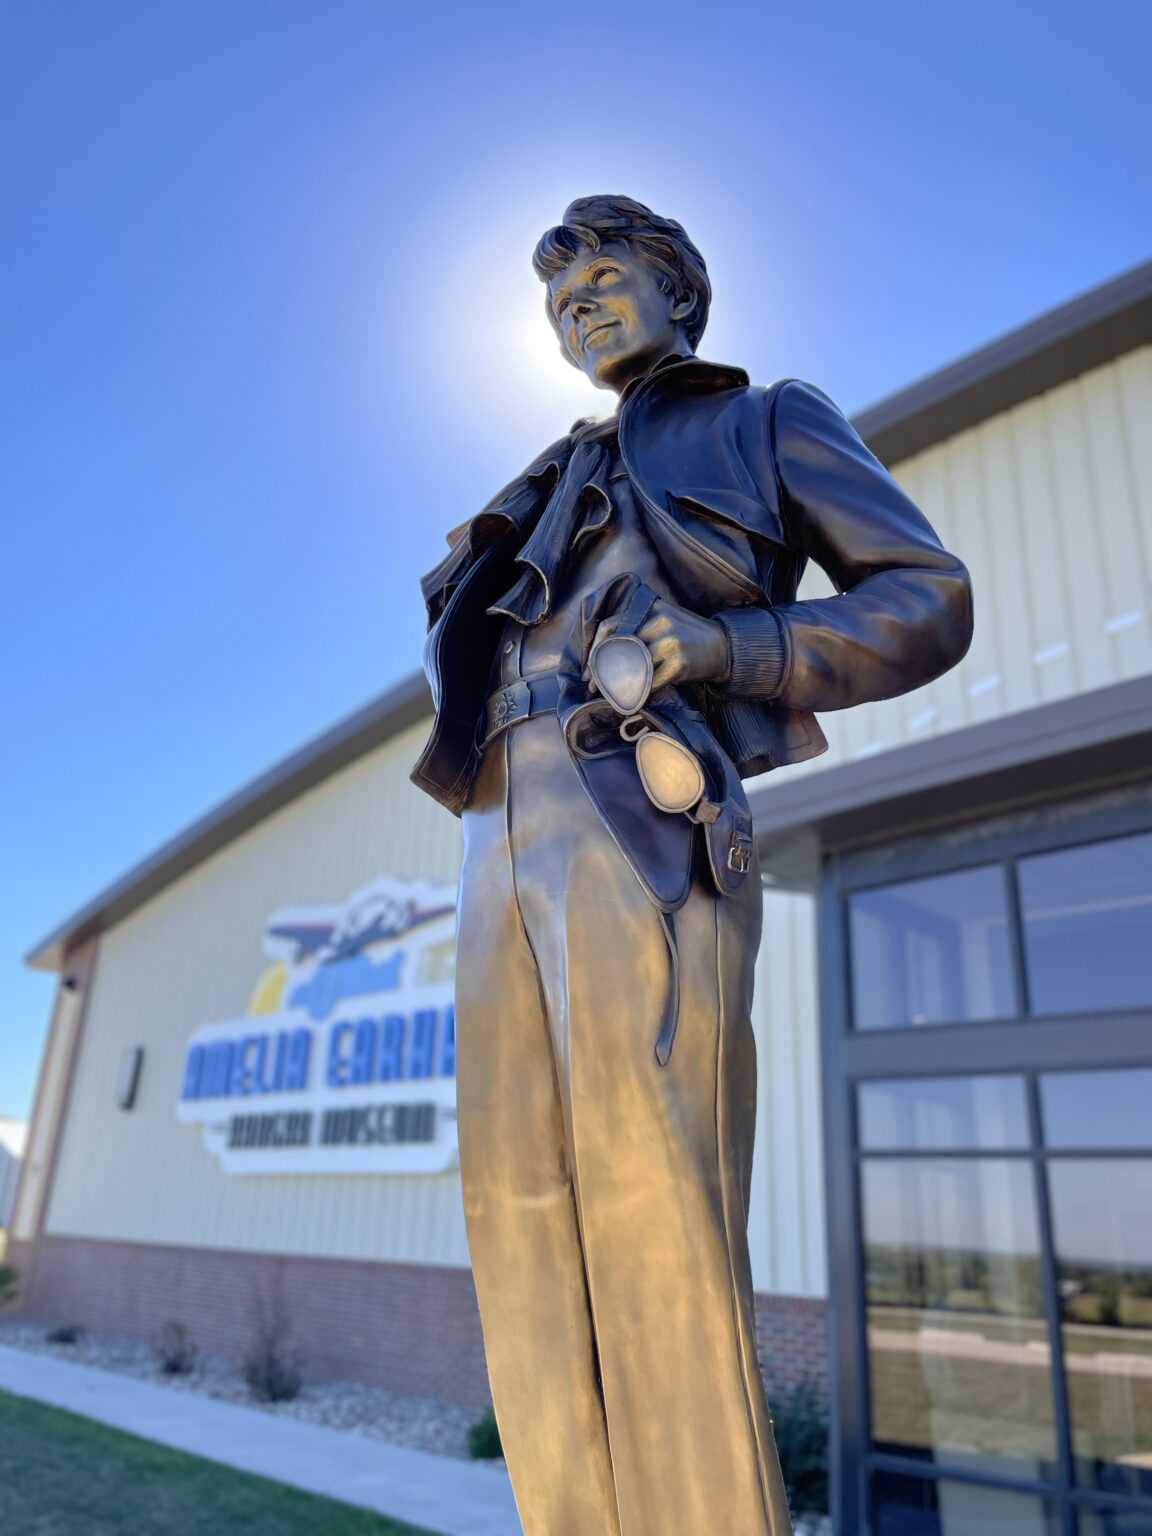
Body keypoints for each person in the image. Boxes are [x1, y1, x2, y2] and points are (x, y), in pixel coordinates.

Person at [411, 195, 973, 1536]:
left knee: (651, 1191)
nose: (579, 308)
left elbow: (926, 598)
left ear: (680, 293)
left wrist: (730, 650)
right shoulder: (538, 481)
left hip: (641, 800)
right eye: (559, 301)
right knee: (513, 1199)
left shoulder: (764, 416)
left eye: (605, 279)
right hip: (498, 818)